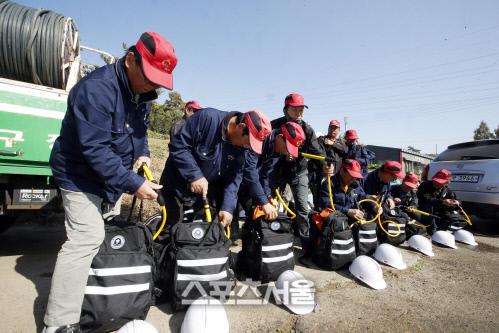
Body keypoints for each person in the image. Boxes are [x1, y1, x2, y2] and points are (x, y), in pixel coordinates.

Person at [44, 32, 177, 333]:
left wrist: (142, 155)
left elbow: (140, 133)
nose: (154, 86)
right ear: (131, 60)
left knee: (104, 239)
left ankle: (96, 300)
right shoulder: (96, 90)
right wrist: (133, 183)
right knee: (86, 239)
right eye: (151, 77)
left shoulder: (142, 94)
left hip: (111, 179)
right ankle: (59, 323)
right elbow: (95, 150)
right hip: (79, 176)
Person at [159, 109, 271, 228]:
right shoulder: (207, 118)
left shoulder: (242, 149)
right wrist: (195, 175)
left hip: (203, 193)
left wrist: (228, 207)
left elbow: (234, 178)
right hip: (176, 185)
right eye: (248, 142)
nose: (247, 147)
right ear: (241, 127)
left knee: (200, 232)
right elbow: (179, 147)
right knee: (170, 227)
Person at [270, 93, 334, 256]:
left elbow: (317, 151)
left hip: (299, 172)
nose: (299, 111)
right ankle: (275, 239)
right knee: (274, 206)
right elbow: (265, 150)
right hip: (277, 172)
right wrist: (282, 153)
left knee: (302, 208)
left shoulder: (307, 129)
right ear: (286, 109)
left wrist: (325, 166)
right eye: (295, 108)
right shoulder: (274, 126)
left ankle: (306, 244)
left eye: (301, 108)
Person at [237, 121, 306, 221]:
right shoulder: (259, 140)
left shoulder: (276, 152)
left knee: (256, 217)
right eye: (287, 147)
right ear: (279, 137)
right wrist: (264, 202)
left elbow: (265, 176)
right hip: (232, 181)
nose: (287, 151)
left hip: (248, 185)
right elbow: (250, 172)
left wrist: (268, 196)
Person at [309, 119, 348, 207]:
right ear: (328, 128)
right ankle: (317, 210)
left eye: (336, 128)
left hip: (337, 175)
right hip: (323, 173)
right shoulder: (321, 139)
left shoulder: (341, 142)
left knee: (334, 195)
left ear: (339, 130)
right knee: (320, 194)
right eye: (331, 127)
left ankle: (333, 210)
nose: (333, 130)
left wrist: (333, 144)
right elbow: (316, 152)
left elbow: (345, 151)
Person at [417, 169, 459, 234]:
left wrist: (455, 204)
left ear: (447, 183)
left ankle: (443, 231)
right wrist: (442, 202)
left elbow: (455, 204)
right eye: (435, 180)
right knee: (429, 205)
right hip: (423, 211)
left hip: (438, 213)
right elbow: (426, 199)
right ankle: (431, 230)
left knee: (453, 215)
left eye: (440, 182)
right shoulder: (425, 185)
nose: (436, 183)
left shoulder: (448, 191)